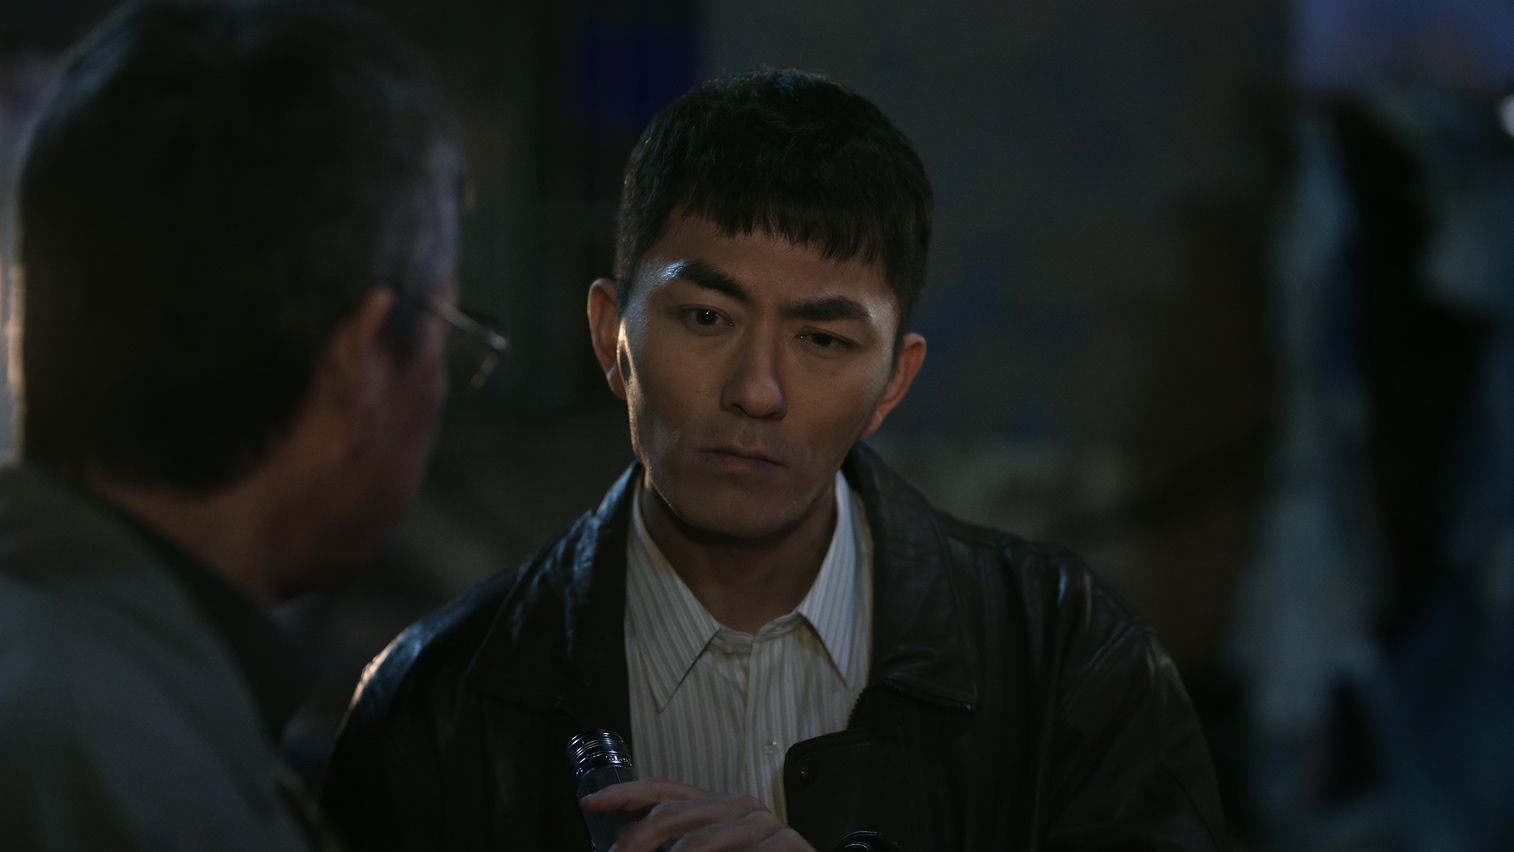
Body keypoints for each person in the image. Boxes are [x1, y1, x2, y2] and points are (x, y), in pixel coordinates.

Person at [322, 69, 1228, 852]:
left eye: (824, 339)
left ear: (894, 382)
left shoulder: (1064, 658)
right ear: (610, 337)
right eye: (706, 318)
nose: (758, 391)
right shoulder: (438, 700)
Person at [0, 2, 498, 849]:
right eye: (447, 339)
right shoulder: (143, 792)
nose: (439, 391)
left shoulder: (89, 696)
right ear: (360, 364)